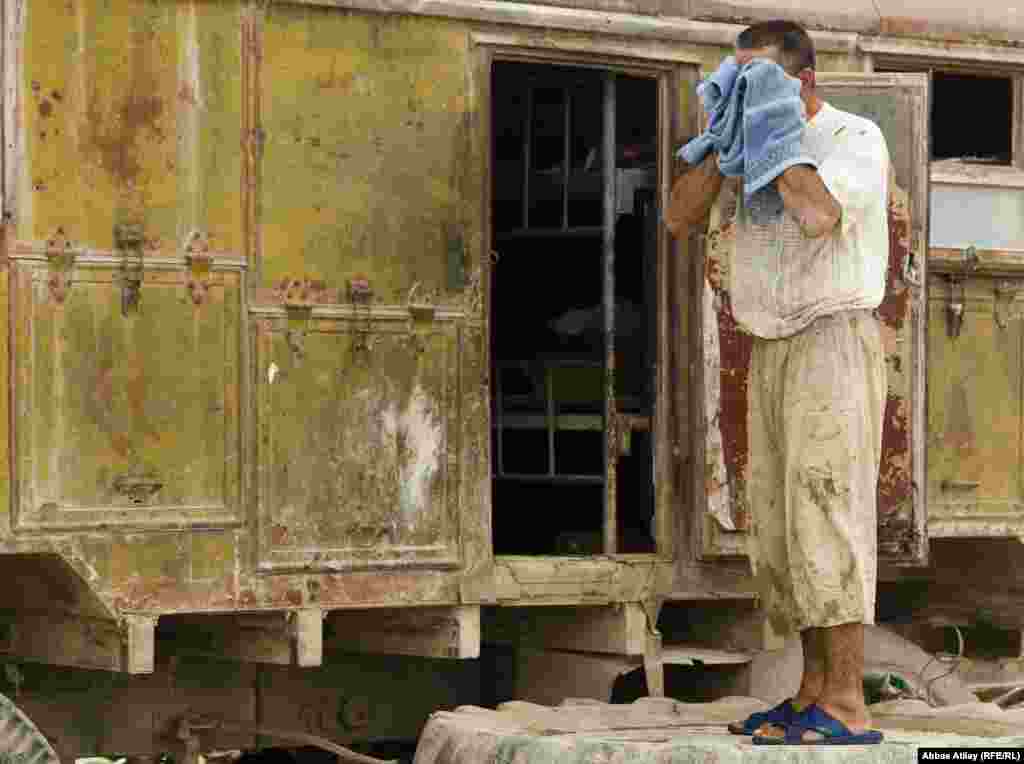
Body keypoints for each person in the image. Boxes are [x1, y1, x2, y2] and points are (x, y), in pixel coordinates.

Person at [665, 21, 890, 744]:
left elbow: (820, 214)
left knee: (829, 510)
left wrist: (775, 134)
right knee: (784, 530)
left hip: (832, 336)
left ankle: (849, 701)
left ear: (803, 82)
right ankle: (812, 692)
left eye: (756, 83)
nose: (742, 95)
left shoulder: (852, 139)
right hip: (769, 340)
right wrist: (727, 145)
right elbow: (678, 217)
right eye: (735, 82)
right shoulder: (744, 147)